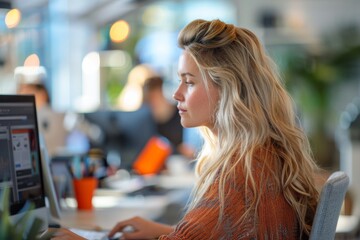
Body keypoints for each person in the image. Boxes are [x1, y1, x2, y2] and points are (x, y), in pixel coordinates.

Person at [52, 19, 320, 240]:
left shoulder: (240, 173)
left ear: (227, 89)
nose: (176, 94)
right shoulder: (262, 154)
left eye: (189, 82)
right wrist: (166, 232)